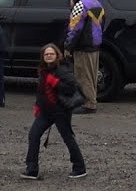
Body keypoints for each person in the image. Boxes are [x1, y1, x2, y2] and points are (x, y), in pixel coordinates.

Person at [22, 43, 87, 180]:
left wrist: (56, 83)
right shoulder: (43, 71)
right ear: (43, 57)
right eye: (46, 54)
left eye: (51, 54)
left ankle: (79, 167)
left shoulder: (63, 70)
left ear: (57, 55)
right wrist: (37, 105)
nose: (49, 56)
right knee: (33, 135)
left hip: (60, 111)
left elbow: (71, 88)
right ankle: (32, 169)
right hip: (45, 112)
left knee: (68, 138)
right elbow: (41, 91)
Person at [64, 0, 104, 114]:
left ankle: (89, 104)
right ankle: (92, 100)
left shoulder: (80, 5)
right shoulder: (97, 3)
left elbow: (74, 28)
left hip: (83, 46)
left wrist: (68, 46)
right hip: (95, 45)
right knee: (92, 75)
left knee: (83, 75)